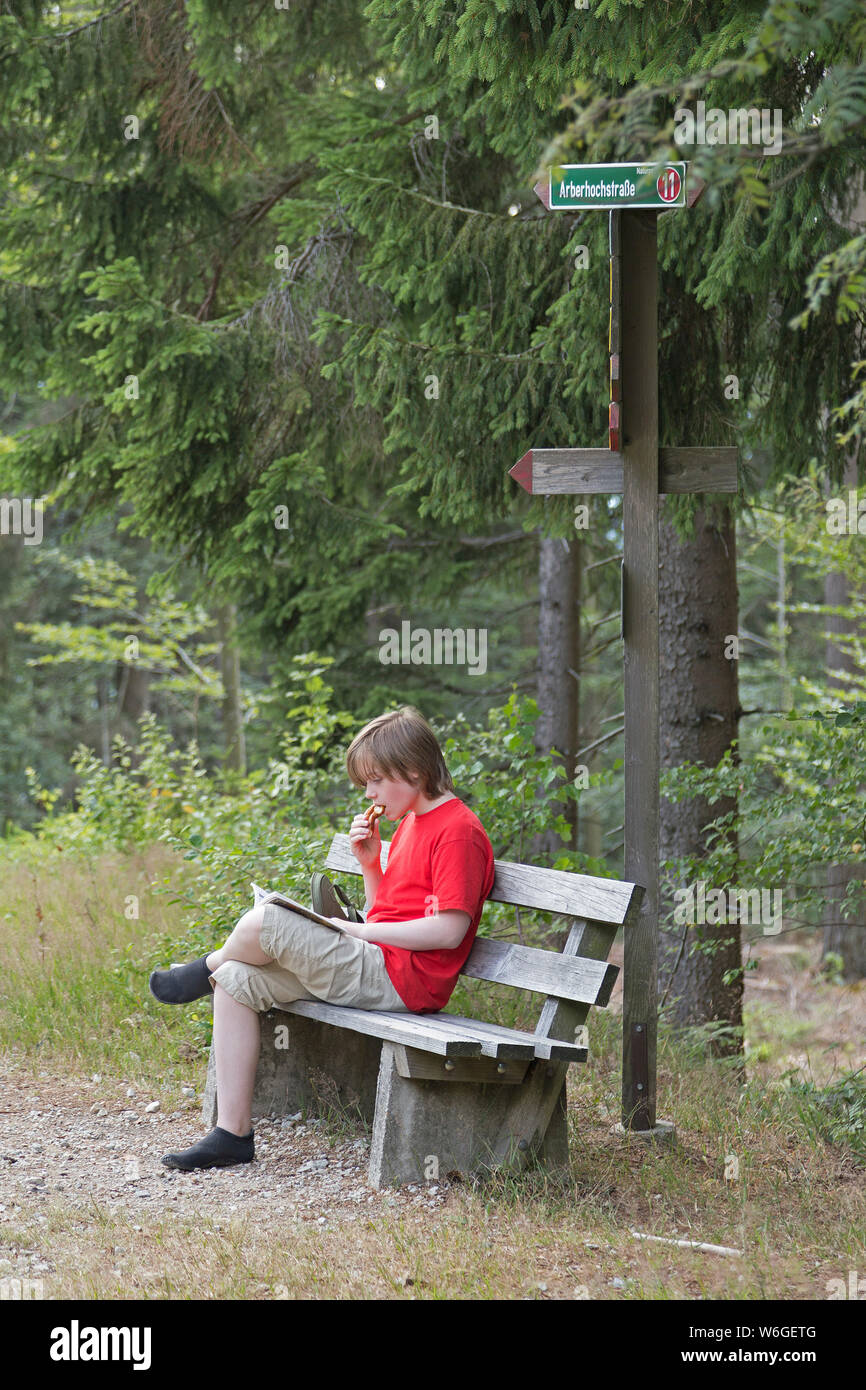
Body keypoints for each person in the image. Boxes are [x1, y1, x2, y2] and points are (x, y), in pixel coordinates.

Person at [149, 705, 495, 1170]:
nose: (368, 793)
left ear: (413, 771)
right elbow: (386, 911)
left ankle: (197, 970)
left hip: (403, 980)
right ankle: (231, 1135)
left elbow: (449, 932)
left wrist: (352, 930)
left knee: (265, 921)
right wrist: (371, 863)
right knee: (235, 978)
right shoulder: (412, 822)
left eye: (375, 780)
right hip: (377, 964)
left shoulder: (456, 831)